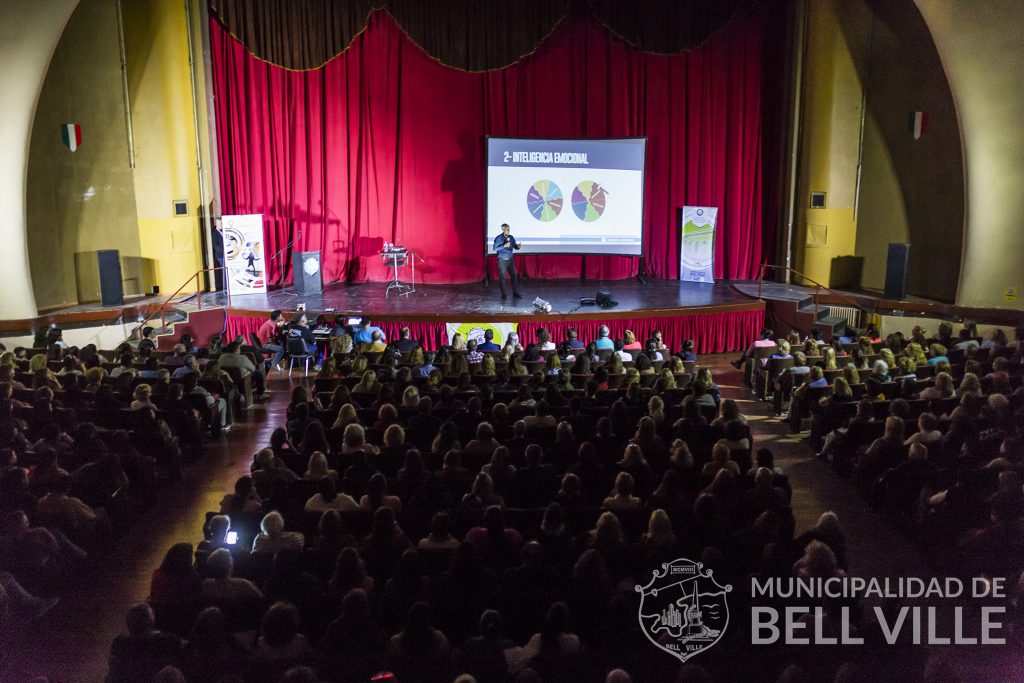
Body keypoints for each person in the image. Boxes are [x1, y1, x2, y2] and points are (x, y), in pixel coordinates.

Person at [493, 222, 523, 300]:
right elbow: (495, 249)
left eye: (508, 229)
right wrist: (503, 246)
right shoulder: (498, 238)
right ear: (503, 229)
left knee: (514, 276)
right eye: (506, 229)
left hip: (510, 260)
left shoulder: (511, 237)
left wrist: (518, 247)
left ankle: (515, 293)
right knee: (502, 277)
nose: (508, 230)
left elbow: (514, 246)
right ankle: (503, 295)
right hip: (502, 260)